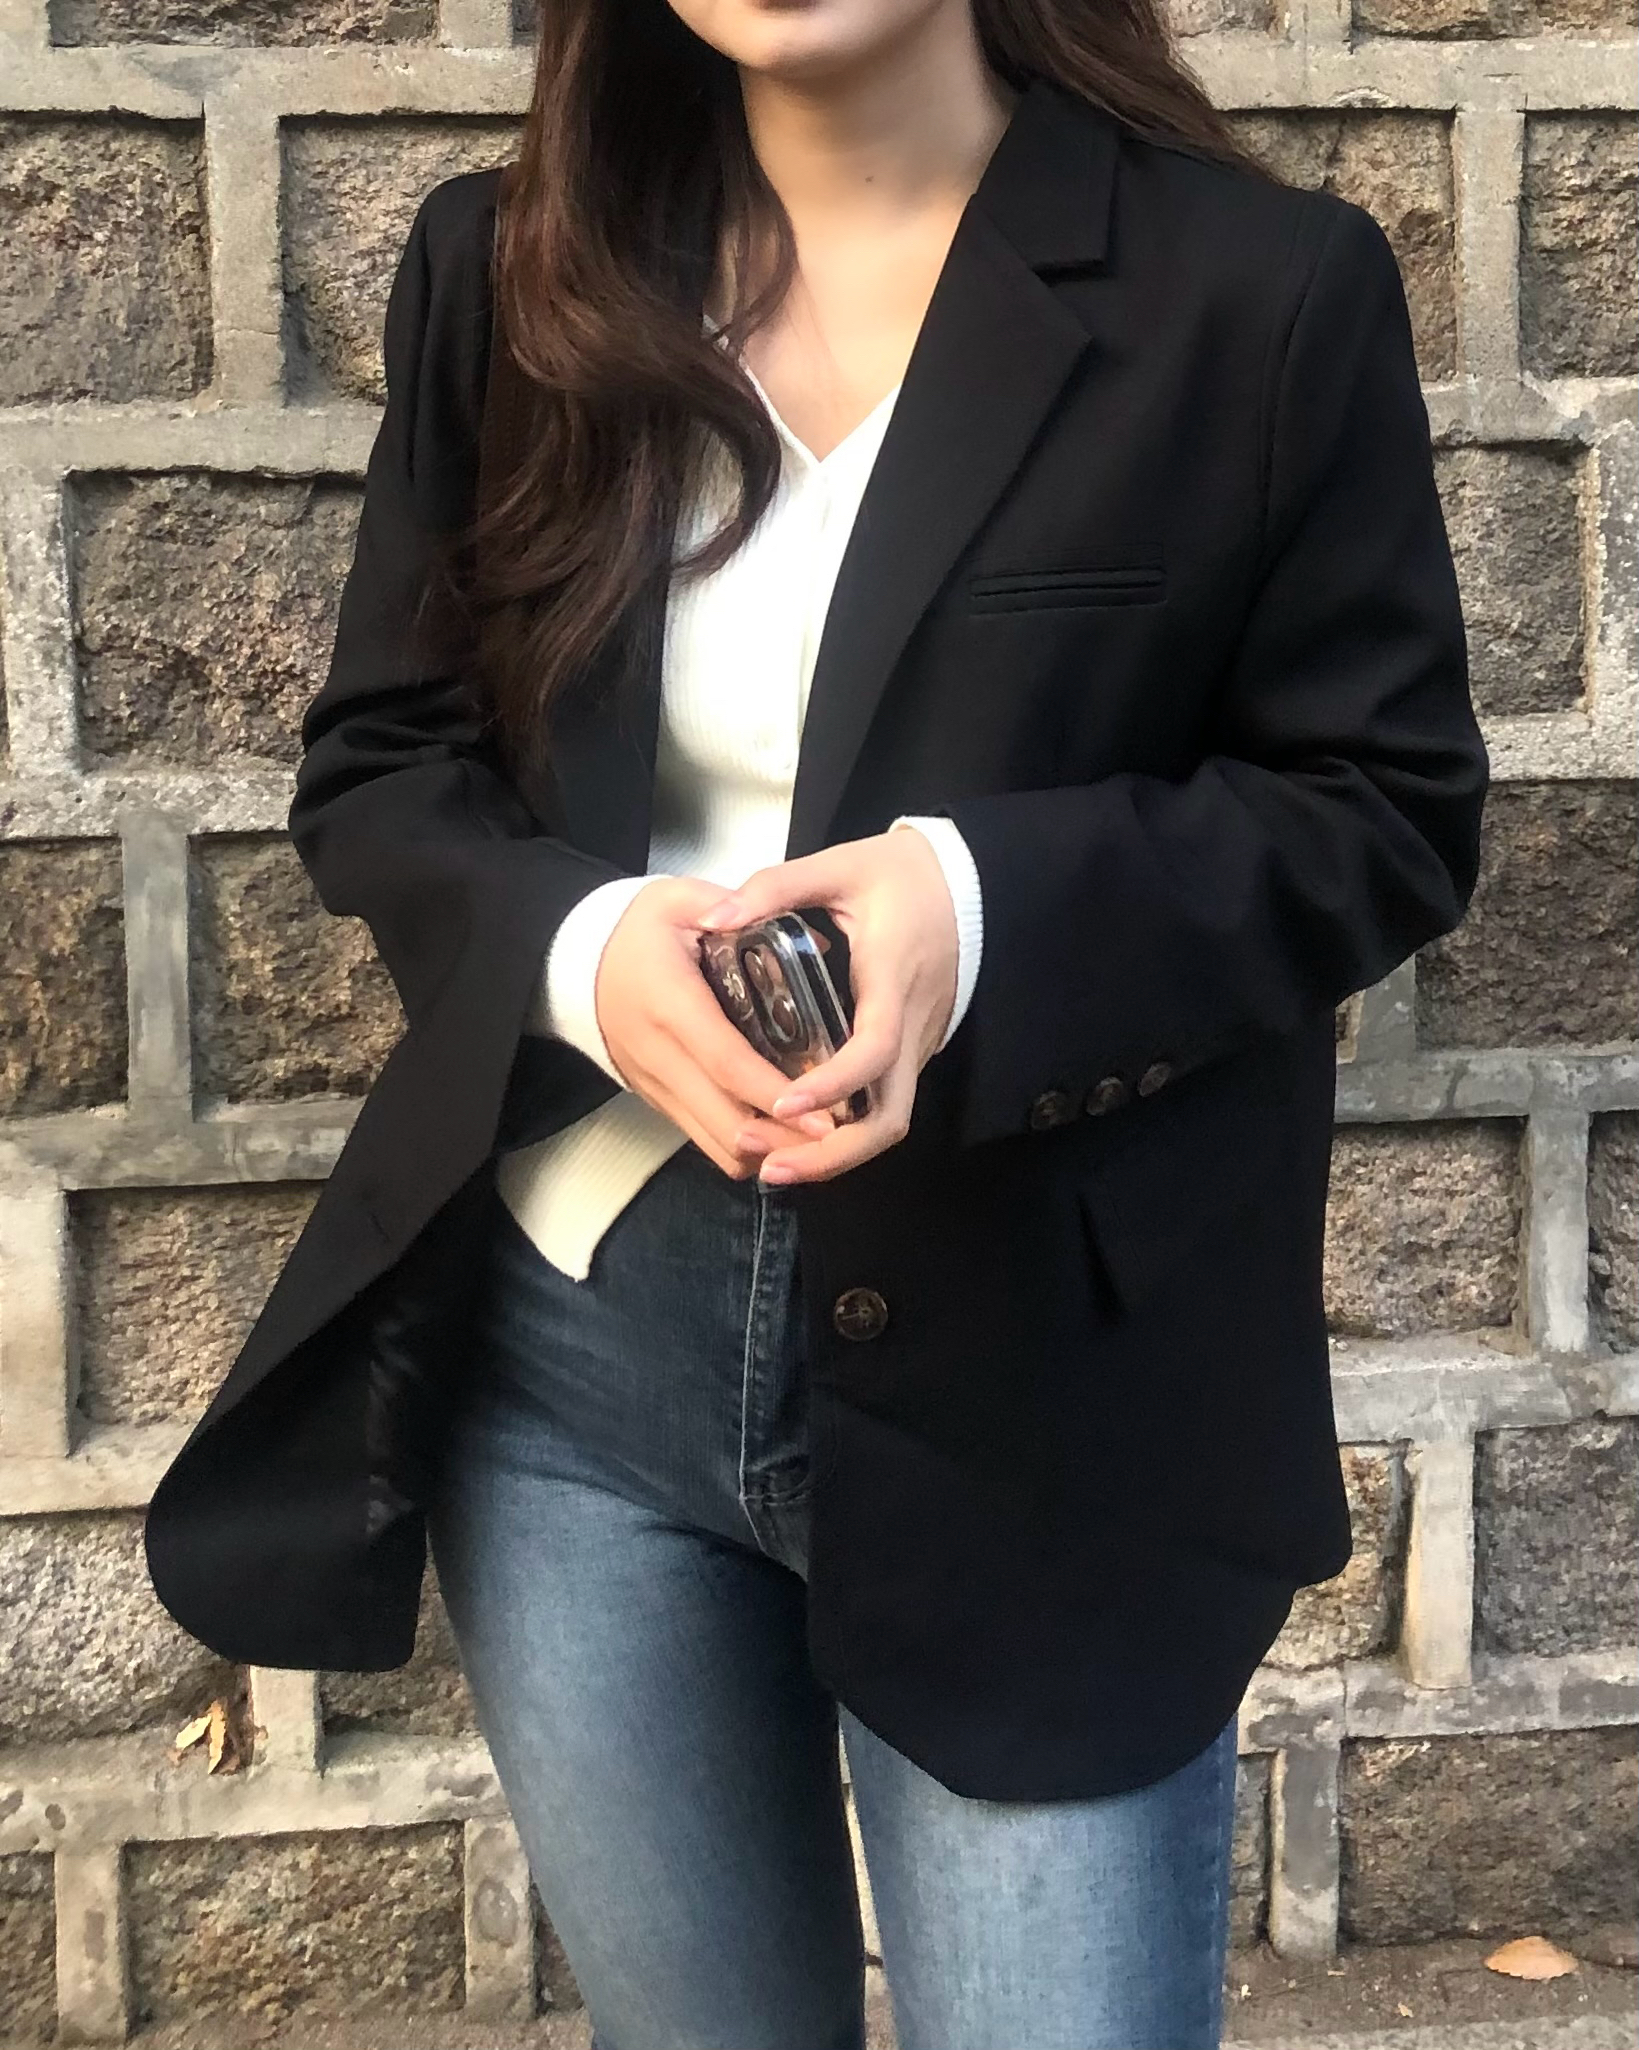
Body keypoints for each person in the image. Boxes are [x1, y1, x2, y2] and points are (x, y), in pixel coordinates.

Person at [142, 2, 1490, 2046]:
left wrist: (976, 908)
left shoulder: (1256, 291)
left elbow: (1378, 807)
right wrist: (586, 946)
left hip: (1041, 1392)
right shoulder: (512, 269)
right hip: (577, 1370)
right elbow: (387, 763)